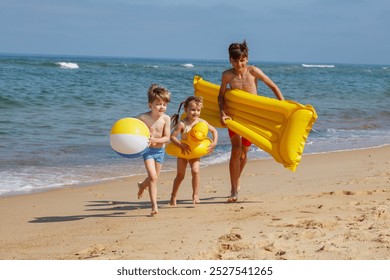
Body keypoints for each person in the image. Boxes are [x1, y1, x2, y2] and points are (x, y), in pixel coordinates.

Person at [218, 40, 285, 203]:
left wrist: (284, 107)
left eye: (241, 60)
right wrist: (222, 113)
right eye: (235, 61)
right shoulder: (227, 75)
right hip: (234, 116)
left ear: (246, 59)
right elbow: (221, 96)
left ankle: (238, 177)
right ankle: (233, 190)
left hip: (252, 118)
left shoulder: (253, 71)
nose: (238, 64)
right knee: (235, 149)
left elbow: (273, 87)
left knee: (244, 153)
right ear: (230, 60)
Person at [169, 96, 218, 206]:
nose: (195, 112)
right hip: (183, 153)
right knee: (180, 175)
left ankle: (195, 195)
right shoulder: (182, 124)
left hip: (195, 153)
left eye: (198, 110)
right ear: (185, 110)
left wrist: (214, 143)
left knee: (195, 171)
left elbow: (214, 130)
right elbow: (172, 137)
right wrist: (181, 145)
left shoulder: (202, 123)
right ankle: (173, 195)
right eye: (193, 110)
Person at [136, 84, 171, 215]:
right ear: (150, 105)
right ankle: (154, 205)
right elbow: (132, 130)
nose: (162, 107)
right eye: (158, 104)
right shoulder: (142, 118)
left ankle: (141, 186)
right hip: (148, 151)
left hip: (160, 151)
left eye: (164, 104)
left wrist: (155, 140)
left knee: (154, 178)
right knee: (153, 177)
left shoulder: (166, 119)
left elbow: (167, 137)